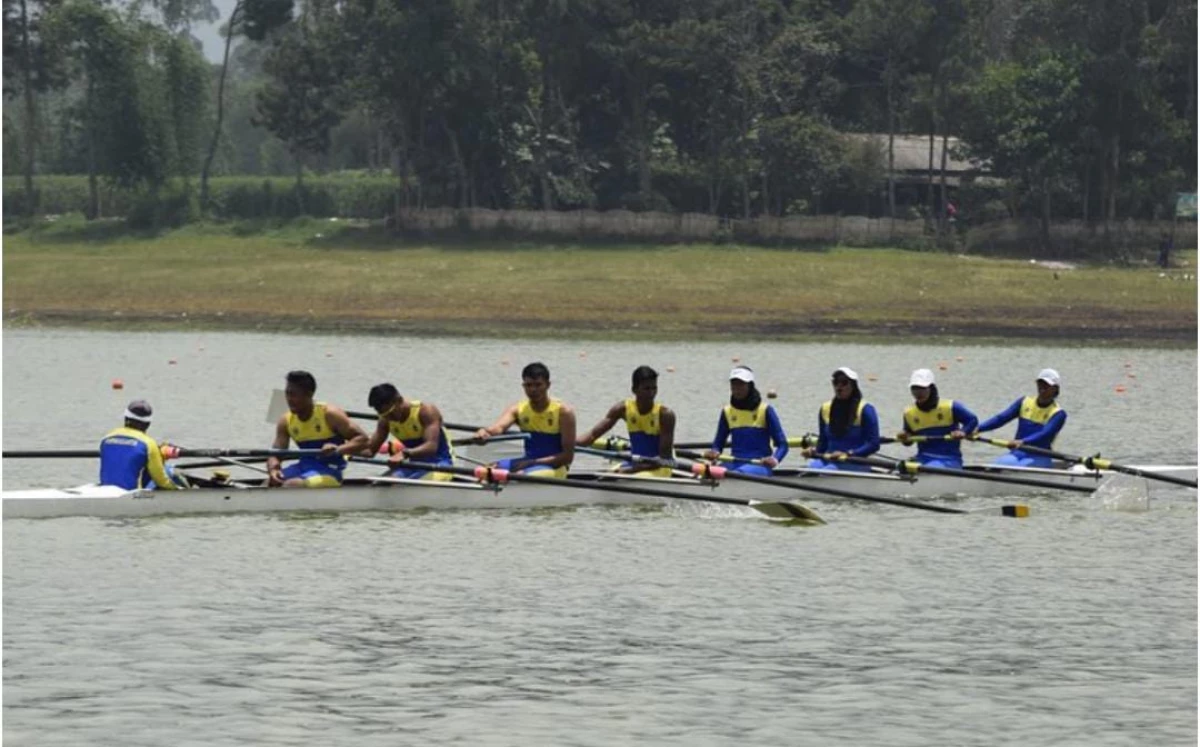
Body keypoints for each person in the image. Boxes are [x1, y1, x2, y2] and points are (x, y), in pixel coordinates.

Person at [266, 370, 368, 488]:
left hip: (329, 470)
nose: (289, 399)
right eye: (287, 393)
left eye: (293, 394)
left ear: (309, 394)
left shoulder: (330, 414)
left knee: (291, 485)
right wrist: (273, 469)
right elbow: (276, 453)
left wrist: (338, 449)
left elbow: (364, 439)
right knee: (269, 483)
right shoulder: (286, 421)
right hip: (304, 466)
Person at [474, 362, 576, 477]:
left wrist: (532, 463)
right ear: (523, 386)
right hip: (529, 462)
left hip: (556, 466)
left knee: (521, 476)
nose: (533, 390)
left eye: (538, 385)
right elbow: (498, 427)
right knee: (484, 471)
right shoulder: (518, 409)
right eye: (529, 385)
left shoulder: (564, 412)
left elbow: (567, 457)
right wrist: (485, 432)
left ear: (548, 385)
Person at [576, 365, 676, 477]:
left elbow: (664, 460)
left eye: (654, 388)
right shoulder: (622, 409)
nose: (652, 393)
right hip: (635, 464)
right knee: (604, 477)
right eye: (647, 389)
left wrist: (629, 471)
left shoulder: (665, 415)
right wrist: (567, 444)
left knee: (623, 479)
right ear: (634, 390)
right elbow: (592, 436)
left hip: (660, 467)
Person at [703, 366, 788, 476]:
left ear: (750, 386)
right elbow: (718, 443)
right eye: (734, 384)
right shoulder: (727, 411)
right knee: (707, 472)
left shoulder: (765, 410)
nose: (736, 388)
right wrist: (714, 452)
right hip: (734, 463)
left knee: (736, 474)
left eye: (741, 384)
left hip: (759, 465)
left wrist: (775, 459)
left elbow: (783, 445)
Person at [973, 369, 1067, 468]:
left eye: (1047, 385)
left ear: (1055, 389)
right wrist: (977, 429)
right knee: (996, 466)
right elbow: (1001, 419)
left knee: (1017, 468)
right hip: (1018, 452)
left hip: (1040, 455)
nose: (1042, 387)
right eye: (1040, 383)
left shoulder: (1058, 414)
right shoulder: (1024, 402)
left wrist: (1023, 441)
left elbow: (1044, 434)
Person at [364, 383, 455, 481]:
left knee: (410, 487)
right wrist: (347, 449)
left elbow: (431, 447)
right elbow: (370, 451)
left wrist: (404, 454)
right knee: (383, 485)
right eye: (383, 415)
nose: (388, 418)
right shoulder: (385, 420)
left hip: (441, 463)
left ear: (399, 400)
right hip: (413, 464)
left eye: (390, 413)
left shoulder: (426, 411)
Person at [801, 367, 880, 471]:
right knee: (810, 468)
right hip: (830, 459)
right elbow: (823, 443)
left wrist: (848, 454)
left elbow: (873, 444)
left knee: (828, 470)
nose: (839, 387)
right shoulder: (825, 408)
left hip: (855, 461)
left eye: (844, 382)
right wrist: (814, 452)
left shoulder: (866, 410)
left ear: (853, 386)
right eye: (835, 382)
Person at [897, 368, 978, 469]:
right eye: (915, 390)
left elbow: (972, 420)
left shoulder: (950, 407)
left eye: (922, 390)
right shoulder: (909, 413)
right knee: (900, 467)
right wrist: (904, 438)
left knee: (930, 468)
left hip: (949, 459)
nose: (919, 394)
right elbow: (908, 442)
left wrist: (963, 431)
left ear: (931, 388)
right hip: (923, 458)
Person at [99, 399, 187, 490]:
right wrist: (177, 489)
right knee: (169, 470)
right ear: (147, 424)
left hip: (107, 492)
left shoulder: (106, 438)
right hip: (133, 495)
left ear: (125, 418)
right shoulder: (148, 443)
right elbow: (160, 480)